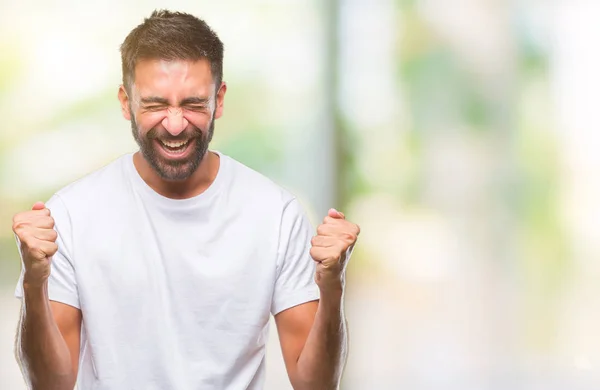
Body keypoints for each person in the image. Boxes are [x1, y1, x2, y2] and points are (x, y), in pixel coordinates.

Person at [11, 9, 360, 390]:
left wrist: (332, 285)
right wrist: (34, 283)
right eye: (156, 104)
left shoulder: (275, 215)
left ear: (219, 100)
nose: (175, 124)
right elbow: (49, 384)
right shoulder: (72, 215)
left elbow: (316, 385)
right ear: (126, 102)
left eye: (193, 104)